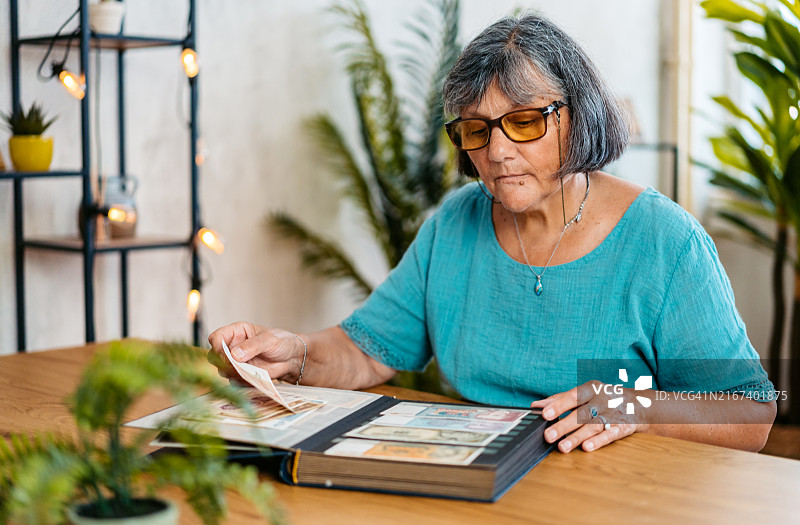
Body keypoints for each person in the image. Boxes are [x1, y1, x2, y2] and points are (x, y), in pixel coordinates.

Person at [209, 13, 776, 454]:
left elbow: (752, 413)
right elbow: (365, 350)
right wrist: (295, 353)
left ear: (578, 116)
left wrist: (632, 407)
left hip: (619, 493)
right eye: (476, 129)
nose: (497, 151)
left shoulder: (664, 241)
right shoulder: (454, 224)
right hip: (477, 484)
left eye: (524, 122)